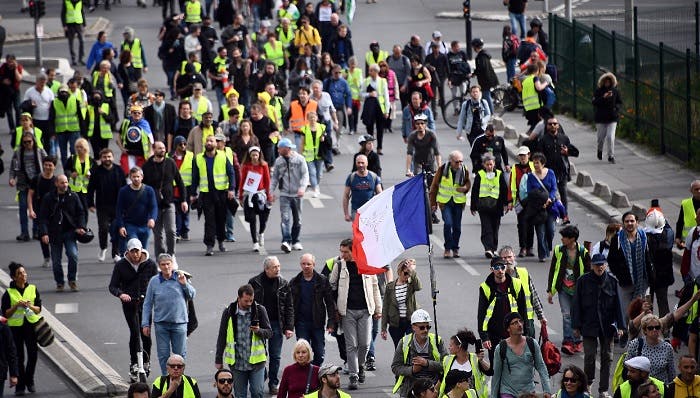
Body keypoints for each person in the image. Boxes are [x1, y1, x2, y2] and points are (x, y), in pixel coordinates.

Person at [329, 238, 382, 390]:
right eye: (342, 251)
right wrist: (334, 310)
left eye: (346, 252)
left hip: (366, 311)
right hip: (347, 312)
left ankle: (361, 365)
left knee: (365, 344)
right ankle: (354, 375)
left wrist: (378, 309)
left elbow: (374, 287)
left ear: (354, 251)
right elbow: (331, 287)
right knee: (351, 345)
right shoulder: (339, 266)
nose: (343, 255)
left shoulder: (366, 263)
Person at [572, 253, 626, 398]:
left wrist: (621, 326)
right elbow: (576, 305)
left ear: (606, 265)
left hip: (607, 326)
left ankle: (603, 389)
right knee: (589, 356)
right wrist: (576, 326)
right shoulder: (583, 281)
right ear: (592, 266)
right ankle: (588, 384)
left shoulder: (612, 282)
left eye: (602, 264)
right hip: (588, 325)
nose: (599, 267)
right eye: (597, 265)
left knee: (607, 357)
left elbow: (619, 305)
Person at [109, 238, 158, 382]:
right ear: (128, 252)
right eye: (132, 252)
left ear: (142, 250)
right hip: (129, 305)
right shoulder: (121, 265)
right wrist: (121, 294)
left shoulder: (150, 264)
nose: (135, 255)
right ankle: (135, 364)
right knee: (135, 333)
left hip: (145, 304)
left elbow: (156, 283)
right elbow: (113, 286)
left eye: (137, 251)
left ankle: (146, 362)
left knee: (145, 334)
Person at [141, 253, 196, 376]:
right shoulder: (154, 282)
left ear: (172, 265)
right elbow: (147, 304)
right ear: (159, 266)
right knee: (163, 355)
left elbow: (192, 295)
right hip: (161, 324)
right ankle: (166, 380)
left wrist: (184, 284)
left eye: (168, 264)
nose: (166, 267)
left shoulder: (180, 277)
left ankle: (179, 380)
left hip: (179, 323)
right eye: (163, 265)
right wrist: (145, 324)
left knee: (180, 355)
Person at [215, 284, 273, 398]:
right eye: (246, 301)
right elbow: (222, 336)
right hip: (237, 363)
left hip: (256, 363)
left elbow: (269, 333)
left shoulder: (260, 310)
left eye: (251, 300)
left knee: (257, 392)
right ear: (239, 298)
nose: (249, 303)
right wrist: (218, 359)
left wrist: (259, 331)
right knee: (240, 394)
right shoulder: (228, 312)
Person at [248, 257, 295, 395]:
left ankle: (273, 382)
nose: (278, 269)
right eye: (274, 267)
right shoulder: (254, 282)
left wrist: (289, 327)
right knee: (260, 354)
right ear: (266, 269)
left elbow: (289, 306)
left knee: (275, 356)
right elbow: (248, 303)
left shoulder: (284, 283)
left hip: (276, 324)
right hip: (259, 324)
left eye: (279, 266)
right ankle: (263, 375)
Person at [190, 134, 237, 255]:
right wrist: (193, 193)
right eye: (207, 141)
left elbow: (231, 173)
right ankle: (209, 245)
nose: (209, 143)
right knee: (209, 220)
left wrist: (231, 189)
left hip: (221, 192)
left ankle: (221, 241)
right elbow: (195, 177)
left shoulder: (223, 156)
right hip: (206, 194)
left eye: (211, 141)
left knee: (221, 219)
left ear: (216, 144)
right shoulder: (198, 158)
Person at [38, 174, 87, 292]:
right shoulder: (48, 198)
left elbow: (81, 213)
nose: (65, 185)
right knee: (56, 261)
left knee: (73, 255)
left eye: (66, 182)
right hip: (54, 234)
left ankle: (72, 280)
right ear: (56, 184)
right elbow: (43, 218)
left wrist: (81, 227)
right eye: (62, 183)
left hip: (70, 232)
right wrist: (44, 233)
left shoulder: (73, 196)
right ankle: (59, 282)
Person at [546, 225, 590, 355]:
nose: (562, 239)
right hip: (563, 289)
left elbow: (588, 272)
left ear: (572, 239)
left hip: (579, 290)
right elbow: (553, 270)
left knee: (578, 315)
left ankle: (578, 340)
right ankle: (568, 341)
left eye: (564, 237)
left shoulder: (583, 252)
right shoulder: (559, 250)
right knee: (566, 315)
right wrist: (550, 290)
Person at [490, 312, 552, 398]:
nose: (519, 325)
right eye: (514, 323)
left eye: (520, 321)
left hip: (528, 392)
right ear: (508, 328)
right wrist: (493, 396)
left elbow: (541, 368)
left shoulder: (532, 344)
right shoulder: (501, 348)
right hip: (508, 392)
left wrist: (547, 391)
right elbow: (496, 375)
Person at [477, 257, 528, 361]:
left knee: (515, 366)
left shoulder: (516, 284)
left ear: (506, 268)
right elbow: (482, 314)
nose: (500, 270)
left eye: (502, 267)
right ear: (492, 269)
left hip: (514, 334)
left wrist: (525, 333)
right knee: (496, 368)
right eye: (496, 267)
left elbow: (523, 311)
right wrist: (484, 337)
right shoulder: (485, 287)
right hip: (494, 336)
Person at [142, 141, 188, 257]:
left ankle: (171, 255)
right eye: (159, 148)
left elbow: (179, 182)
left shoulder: (170, 163)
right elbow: (143, 187)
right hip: (154, 205)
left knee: (171, 231)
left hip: (169, 203)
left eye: (163, 148)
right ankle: (161, 257)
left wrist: (183, 200)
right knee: (158, 234)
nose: (162, 150)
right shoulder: (147, 166)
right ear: (154, 150)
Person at [289, 253, 335, 366]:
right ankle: (306, 376)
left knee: (319, 354)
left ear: (314, 264)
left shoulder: (322, 280)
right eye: (303, 264)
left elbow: (330, 303)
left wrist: (331, 323)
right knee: (303, 353)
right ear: (300, 265)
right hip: (301, 323)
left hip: (317, 323)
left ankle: (313, 370)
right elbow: (289, 306)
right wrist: (288, 326)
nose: (306, 266)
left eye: (308, 264)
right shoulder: (294, 282)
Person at [390, 309, 446, 398]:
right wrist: (412, 370)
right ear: (413, 327)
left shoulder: (437, 341)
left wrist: (427, 363)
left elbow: (446, 365)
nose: (425, 330)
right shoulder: (404, 342)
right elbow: (396, 367)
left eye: (428, 327)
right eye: (422, 327)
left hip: (432, 391)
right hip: (410, 390)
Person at [608, 211, 655, 314]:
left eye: (632, 221)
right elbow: (611, 260)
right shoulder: (617, 239)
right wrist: (620, 275)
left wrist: (651, 277)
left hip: (643, 282)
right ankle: (627, 330)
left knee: (642, 313)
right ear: (623, 223)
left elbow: (651, 259)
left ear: (637, 222)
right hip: (625, 283)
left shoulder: (645, 238)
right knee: (626, 313)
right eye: (627, 221)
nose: (629, 223)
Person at [1, 262, 38, 395]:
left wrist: (31, 306)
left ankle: (30, 379)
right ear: (14, 277)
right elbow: (5, 314)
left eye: (24, 272)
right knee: (19, 357)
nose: (23, 275)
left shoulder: (33, 288)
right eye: (20, 273)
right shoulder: (9, 293)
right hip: (15, 328)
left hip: (31, 326)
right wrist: (16, 306)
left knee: (33, 355)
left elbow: (38, 309)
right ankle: (20, 386)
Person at [270, 138, 309, 253]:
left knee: (298, 220)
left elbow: (305, 175)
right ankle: (286, 241)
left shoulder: (300, 159)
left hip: (297, 195)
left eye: (279, 148)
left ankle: (296, 240)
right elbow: (275, 178)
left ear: (286, 148)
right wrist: (271, 192)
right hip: (284, 194)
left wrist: (302, 188)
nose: (277, 150)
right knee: (285, 218)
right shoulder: (278, 161)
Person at [429, 150, 470, 258]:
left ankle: (455, 248)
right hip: (445, 202)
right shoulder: (442, 170)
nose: (459, 164)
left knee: (457, 227)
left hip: (458, 202)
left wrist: (465, 188)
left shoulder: (464, 169)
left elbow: (468, 183)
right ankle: (447, 248)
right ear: (451, 161)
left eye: (461, 161)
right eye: (457, 162)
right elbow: (434, 187)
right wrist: (433, 203)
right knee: (448, 223)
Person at [87, 148, 126, 262]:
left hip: (117, 206)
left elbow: (124, 188)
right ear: (101, 159)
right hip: (102, 206)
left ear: (113, 157)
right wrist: (90, 204)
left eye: (109, 156)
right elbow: (90, 189)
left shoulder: (119, 170)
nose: (107, 159)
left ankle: (116, 253)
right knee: (103, 228)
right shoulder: (96, 172)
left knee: (116, 229)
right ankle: (103, 248)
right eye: (104, 157)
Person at [499, 246, 547, 338]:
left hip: (526, 320)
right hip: (508, 321)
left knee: (529, 348)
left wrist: (541, 316)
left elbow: (534, 296)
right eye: (504, 258)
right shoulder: (498, 277)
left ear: (514, 257)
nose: (507, 260)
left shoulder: (523, 273)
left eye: (509, 257)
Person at [9, 133, 47, 242]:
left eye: (29, 142)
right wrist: (12, 178)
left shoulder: (39, 151)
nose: (27, 144)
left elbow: (49, 162)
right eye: (24, 142)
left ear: (33, 141)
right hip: (23, 184)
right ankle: (24, 233)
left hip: (37, 184)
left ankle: (36, 231)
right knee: (22, 208)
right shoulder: (18, 153)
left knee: (36, 208)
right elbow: (13, 167)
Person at [536, 116, 579, 213]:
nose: (552, 126)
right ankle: (551, 213)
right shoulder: (543, 140)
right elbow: (538, 155)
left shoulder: (564, 138)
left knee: (563, 194)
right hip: (548, 172)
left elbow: (576, 152)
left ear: (558, 126)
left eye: (555, 124)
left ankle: (565, 215)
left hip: (562, 172)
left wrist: (567, 152)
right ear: (547, 126)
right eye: (550, 124)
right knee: (550, 194)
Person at [470, 153, 508, 258]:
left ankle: (493, 248)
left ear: (494, 164)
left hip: (497, 206)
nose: (489, 166)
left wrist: (505, 203)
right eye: (487, 164)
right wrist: (473, 206)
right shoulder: (480, 175)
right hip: (484, 207)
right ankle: (488, 248)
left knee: (495, 228)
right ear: (484, 165)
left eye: (491, 164)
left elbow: (504, 190)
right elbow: (475, 190)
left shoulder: (500, 174)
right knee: (486, 228)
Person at [115, 167, 158, 253]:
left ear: (142, 177)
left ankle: (140, 266)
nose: (136, 179)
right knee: (134, 247)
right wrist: (121, 226)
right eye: (134, 177)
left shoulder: (149, 190)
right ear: (130, 177)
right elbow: (119, 210)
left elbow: (153, 206)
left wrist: (152, 219)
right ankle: (130, 264)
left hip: (145, 226)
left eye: (138, 176)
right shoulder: (123, 191)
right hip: (130, 225)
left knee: (143, 250)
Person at [439, 328, 491, 398]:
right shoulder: (447, 360)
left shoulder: (475, 358)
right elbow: (442, 378)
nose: (449, 348)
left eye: (451, 345)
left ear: (459, 346)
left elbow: (489, 372)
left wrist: (481, 360)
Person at [381, 259, 422, 347]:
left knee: (410, 346)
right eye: (405, 273)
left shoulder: (411, 284)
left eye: (409, 274)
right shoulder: (390, 287)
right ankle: (400, 361)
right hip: (395, 323)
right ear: (400, 271)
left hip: (410, 321)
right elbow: (385, 307)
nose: (407, 276)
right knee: (399, 348)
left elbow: (419, 287)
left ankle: (410, 361)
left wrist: (412, 271)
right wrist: (383, 328)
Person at [626, 314, 675, 383]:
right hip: (640, 387)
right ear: (645, 330)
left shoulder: (667, 347)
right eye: (650, 328)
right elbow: (626, 366)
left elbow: (671, 373)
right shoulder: (635, 344)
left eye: (657, 327)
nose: (654, 330)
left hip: (660, 389)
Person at [27, 156, 57, 268]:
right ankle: (46, 257)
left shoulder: (56, 181)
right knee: (43, 235)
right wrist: (30, 209)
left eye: (50, 165)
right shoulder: (37, 179)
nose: (47, 167)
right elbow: (30, 195)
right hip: (40, 212)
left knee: (54, 235)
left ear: (54, 167)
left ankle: (55, 255)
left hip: (54, 213)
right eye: (46, 164)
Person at [239, 146, 271, 251]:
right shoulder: (246, 166)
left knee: (263, 218)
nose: (254, 157)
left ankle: (261, 233)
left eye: (256, 155)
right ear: (249, 156)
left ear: (259, 155)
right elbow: (242, 181)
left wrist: (268, 195)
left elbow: (267, 181)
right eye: (252, 155)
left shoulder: (264, 165)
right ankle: (255, 242)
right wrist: (240, 196)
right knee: (252, 219)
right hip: (250, 195)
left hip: (261, 195)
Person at [644, 208, 674, 317]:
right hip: (662, 276)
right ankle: (664, 329)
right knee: (662, 303)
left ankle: (649, 327)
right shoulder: (668, 234)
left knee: (648, 304)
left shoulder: (644, 236)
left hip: (649, 276)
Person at [51, 84, 84, 169]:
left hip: (74, 129)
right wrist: (52, 132)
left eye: (65, 92)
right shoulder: (54, 102)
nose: (63, 94)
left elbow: (80, 116)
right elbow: (51, 118)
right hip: (60, 130)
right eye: (61, 92)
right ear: (58, 93)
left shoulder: (74, 100)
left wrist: (83, 131)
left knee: (74, 150)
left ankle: (74, 167)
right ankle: (66, 170)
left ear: (68, 92)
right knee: (63, 152)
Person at [592, 72, 623, 164]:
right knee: (601, 138)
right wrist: (603, 97)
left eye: (609, 81)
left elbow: (620, 102)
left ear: (612, 82)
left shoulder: (615, 91)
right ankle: (600, 150)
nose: (607, 83)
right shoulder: (599, 91)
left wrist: (616, 108)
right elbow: (594, 102)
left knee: (610, 137)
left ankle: (611, 156)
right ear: (603, 82)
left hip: (612, 118)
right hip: (601, 118)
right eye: (605, 81)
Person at [361, 64, 390, 155]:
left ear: (376, 72)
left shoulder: (382, 81)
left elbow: (386, 96)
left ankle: (379, 147)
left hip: (379, 107)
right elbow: (361, 94)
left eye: (371, 71)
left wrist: (387, 110)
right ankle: (370, 146)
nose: (369, 72)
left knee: (380, 128)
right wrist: (369, 94)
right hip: (369, 107)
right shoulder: (366, 81)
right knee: (369, 127)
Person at [343, 154, 382, 222]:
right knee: (358, 231)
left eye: (362, 163)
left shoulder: (374, 176)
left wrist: (380, 211)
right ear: (356, 164)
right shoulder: (351, 177)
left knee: (369, 232)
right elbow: (346, 196)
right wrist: (346, 214)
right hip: (356, 211)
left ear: (367, 163)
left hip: (370, 211)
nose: (360, 165)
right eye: (358, 163)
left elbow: (380, 195)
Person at [118, 105, 154, 175]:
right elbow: (119, 137)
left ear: (142, 114)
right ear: (131, 113)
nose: (137, 114)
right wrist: (121, 148)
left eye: (139, 113)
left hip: (141, 154)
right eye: (134, 113)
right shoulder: (126, 122)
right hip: (128, 153)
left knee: (139, 175)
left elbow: (151, 140)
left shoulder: (145, 124)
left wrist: (150, 152)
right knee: (128, 174)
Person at [23, 73, 54, 155]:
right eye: (40, 83)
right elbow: (24, 105)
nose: (42, 85)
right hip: (35, 120)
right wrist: (30, 104)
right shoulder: (29, 92)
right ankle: (37, 155)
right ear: (36, 82)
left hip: (47, 121)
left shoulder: (49, 91)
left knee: (47, 141)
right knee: (37, 139)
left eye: (44, 83)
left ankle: (46, 156)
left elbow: (53, 105)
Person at [471, 39, 498, 115]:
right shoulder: (483, 55)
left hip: (486, 80)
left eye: (473, 47)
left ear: (476, 47)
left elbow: (482, 68)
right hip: (488, 79)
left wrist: (476, 73)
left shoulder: (481, 57)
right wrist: (474, 73)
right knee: (485, 96)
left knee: (486, 96)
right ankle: (486, 112)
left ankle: (491, 114)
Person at [0, 55, 22, 134]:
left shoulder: (18, 67)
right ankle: (12, 128)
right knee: (9, 110)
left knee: (17, 108)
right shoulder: (3, 67)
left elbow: (19, 78)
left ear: (14, 61)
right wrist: (3, 80)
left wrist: (15, 68)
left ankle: (18, 127)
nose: (9, 64)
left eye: (11, 62)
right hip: (6, 91)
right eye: (8, 61)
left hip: (15, 91)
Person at [676, 180, 700, 250]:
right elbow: (680, 221)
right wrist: (678, 237)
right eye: (696, 189)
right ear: (691, 191)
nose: (699, 191)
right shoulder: (686, 203)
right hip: (690, 239)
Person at [62, 0, 86, 66]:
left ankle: (80, 59)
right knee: (71, 42)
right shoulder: (66, 1)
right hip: (70, 24)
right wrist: (64, 25)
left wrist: (84, 24)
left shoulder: (80, 1)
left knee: (82, 41)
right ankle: (73, 59)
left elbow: (82, 12)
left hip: (79, 23)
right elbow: (63, 13)